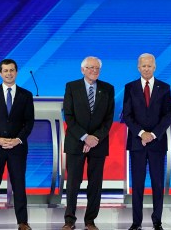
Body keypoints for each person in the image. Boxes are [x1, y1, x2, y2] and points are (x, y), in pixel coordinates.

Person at [0, 59, 35, 230]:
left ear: (16, 72)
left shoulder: (26, 95)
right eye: (5, 70)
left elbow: (29, 122)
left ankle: (23, 222)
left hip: (17, 148)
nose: (9, 73)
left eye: (12, 70)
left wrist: (17, 139)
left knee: (19, 185)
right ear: (0, 73)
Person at [61, 56, 115, 230]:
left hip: (98, 143)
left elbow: (108, 119)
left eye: (97, 68)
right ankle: (69, 220)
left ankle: (90, 220)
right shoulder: (72, 87)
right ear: (82, 70)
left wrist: (95, 139)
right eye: (90, 68)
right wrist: (85, 137)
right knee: (73, 183)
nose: (94, 71)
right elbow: (68, 116)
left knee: (95, 183)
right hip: (76, 142)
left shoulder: (108, 89)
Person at [122, 53, 171, 230]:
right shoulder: (130, 87)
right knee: (137, 184)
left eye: (149, 66)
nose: (146, 68)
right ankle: (136, 222)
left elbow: (167, 116)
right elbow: (127, 116)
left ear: (155, 67)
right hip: (137, 143)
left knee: (158, 184)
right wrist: (142, 133)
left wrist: (153, 135)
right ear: (138, 67)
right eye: (143, 66)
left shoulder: (165, 88)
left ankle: (157, 221)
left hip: (157, 143)